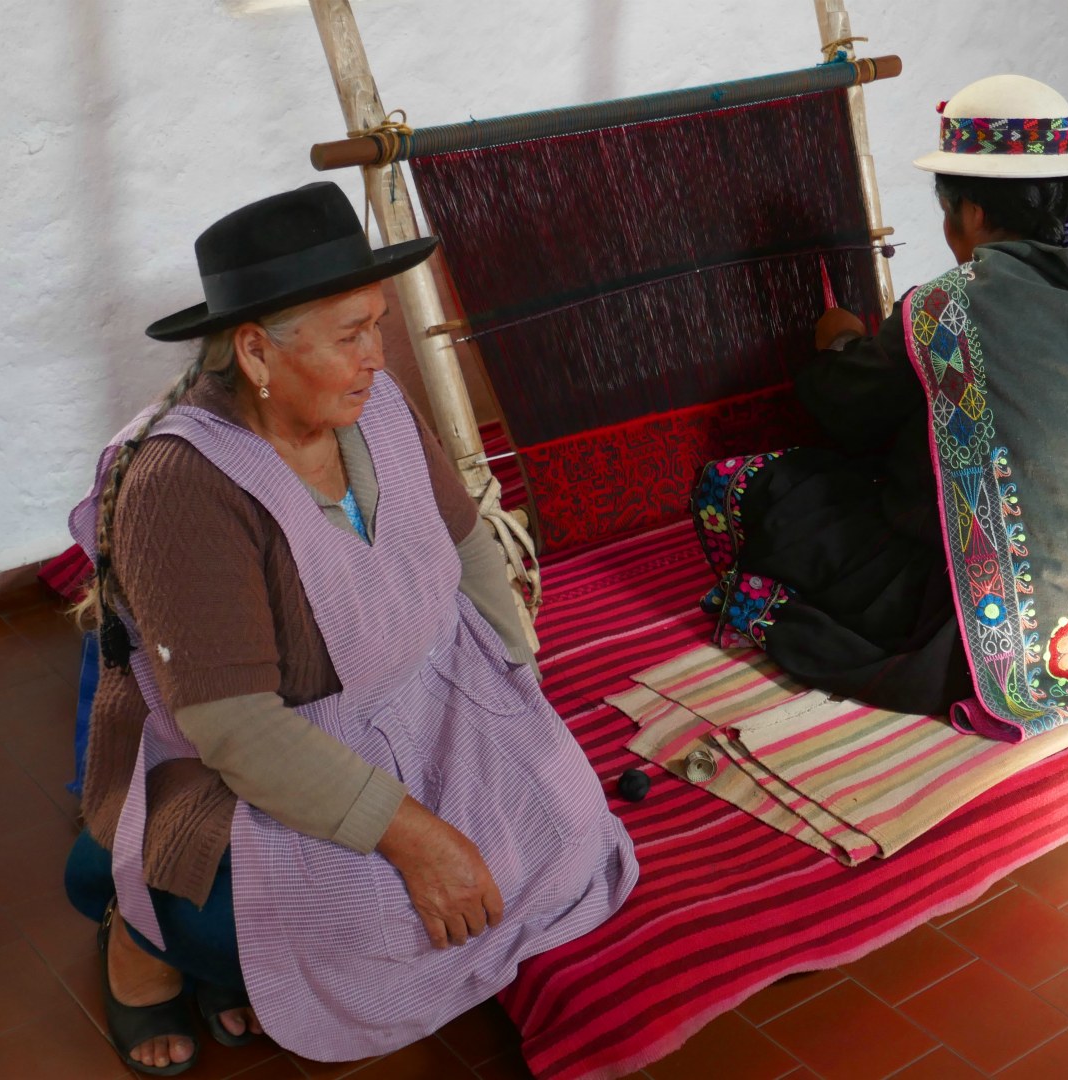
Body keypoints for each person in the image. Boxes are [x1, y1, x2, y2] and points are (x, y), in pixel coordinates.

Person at [63, 181, 637, 1074]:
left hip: (416, 705)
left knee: (560, 828)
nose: (379, 355)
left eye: (378, 324)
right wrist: (416, 836)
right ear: (255, 352)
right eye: (351, 335)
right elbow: (236, 728)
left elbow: (464, 541)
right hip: (251, 757)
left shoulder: (375, 408)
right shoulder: (184, 485)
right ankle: (143, 945)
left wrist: (516, 681)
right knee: (368, 918)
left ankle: (224, 954)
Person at [692, 74, 1068, 743]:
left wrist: (838, 342)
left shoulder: (949, 308)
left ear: (967, 214)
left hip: (1008, 637)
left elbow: (840, 410)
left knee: (774, 491)